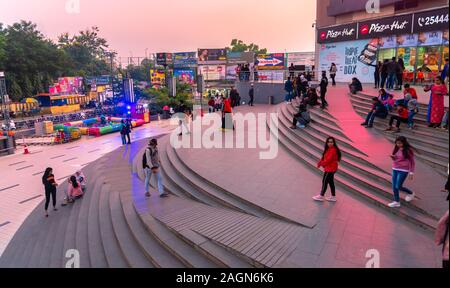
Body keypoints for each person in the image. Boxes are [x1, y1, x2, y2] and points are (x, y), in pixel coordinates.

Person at [388, 136, 415, 208]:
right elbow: (396, 159)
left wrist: (411, 172)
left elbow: (412, 162)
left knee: (398, 186)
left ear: (404, 143)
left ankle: (411, 193)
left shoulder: (408, 150)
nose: (398, 145)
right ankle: (396, 201)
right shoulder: (396, 148)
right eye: (397, 143)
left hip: (403, 170)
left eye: (400, 143)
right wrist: (393, 158)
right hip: (395, 168)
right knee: (394, 186)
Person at [313, 137, 342, 202]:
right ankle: (333, 196)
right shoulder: (328, 149)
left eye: (331, 142)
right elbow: (324, 157)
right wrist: (321, 162)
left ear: (334, 143)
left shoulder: (333, 150)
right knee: (331, 182)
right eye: (328, 142)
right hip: (329, 168)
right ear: (327, 143)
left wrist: (321, 164)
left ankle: (321, 195)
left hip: (331, 168)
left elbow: (328, 160)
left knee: (325, 181)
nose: (330, 143)